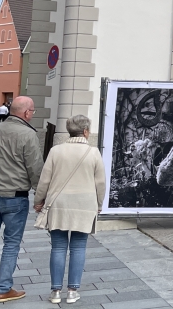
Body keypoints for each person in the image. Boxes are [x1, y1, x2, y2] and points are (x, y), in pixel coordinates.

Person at [0, 96, 42, 303]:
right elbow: (35, 169)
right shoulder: (28, 135)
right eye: (33, 112)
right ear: (27, 113)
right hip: (15, 197)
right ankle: (4, 289)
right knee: (11, 243)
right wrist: (41, 194)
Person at [34, 115, 105, 305]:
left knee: (58, 247)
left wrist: (38, 201)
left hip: (59, 204)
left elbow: (44, 180)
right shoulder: (94, 152)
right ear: (86, 131)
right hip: (85, 204)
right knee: (78, 247)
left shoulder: (56, 151)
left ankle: (55, 291)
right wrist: (99, 204)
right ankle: (72, 291)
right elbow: (100, 183)